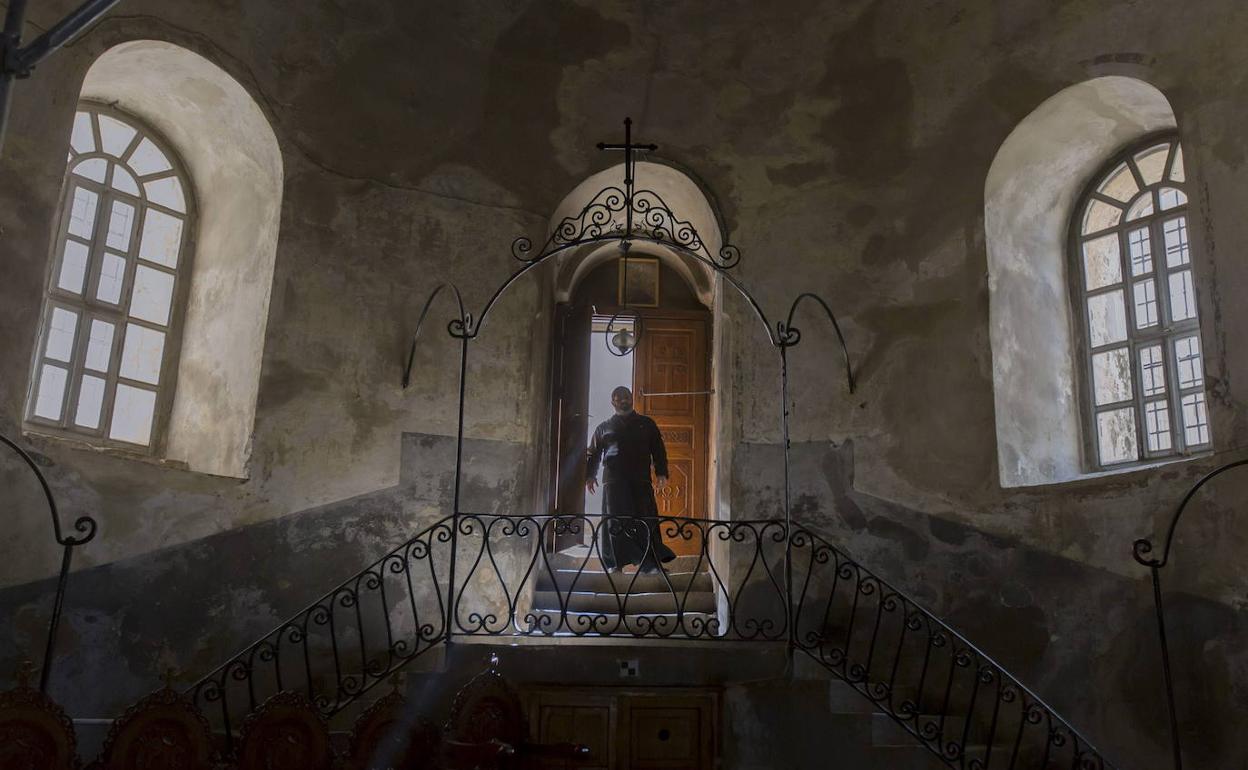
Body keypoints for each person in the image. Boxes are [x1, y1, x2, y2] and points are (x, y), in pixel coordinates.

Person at [584, 385, 677, 573]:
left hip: (640, 478)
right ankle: (615, 564)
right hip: (613, 481)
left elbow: (658, 449)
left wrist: (661, 472)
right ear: (612, 402)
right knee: (615, 522)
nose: (623, 400)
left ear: (632, 398)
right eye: (618, 398)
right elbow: (593, 454)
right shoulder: (603, 428)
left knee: (645, 519)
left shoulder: (647, 424)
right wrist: (589, 476)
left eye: (626, 396)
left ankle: (650, 564)